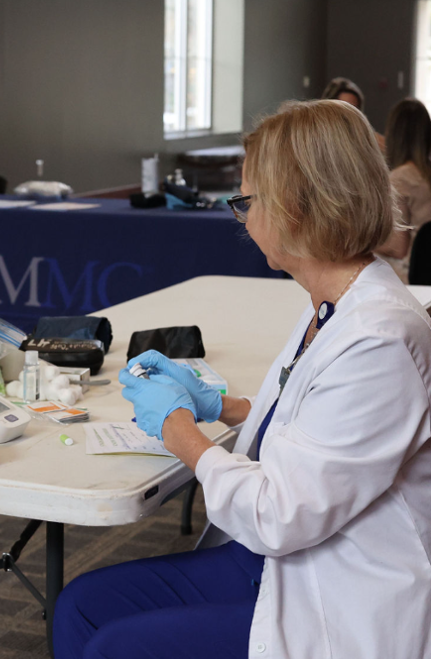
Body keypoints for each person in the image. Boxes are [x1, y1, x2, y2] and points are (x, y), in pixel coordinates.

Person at [53, 100, 431, 659]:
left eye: (247, 201)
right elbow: (315, 428)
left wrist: (178, 427)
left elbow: (281, 515)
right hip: (288, 556)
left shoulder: (379, 339)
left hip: (336, 590)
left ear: (297, 208)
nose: (243, 218)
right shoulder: (332, 304)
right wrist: (220, 405)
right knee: (80, 607)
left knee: (116, 646)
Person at [375, 98, 431, 282]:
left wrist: (359, 241)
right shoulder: (424, 174)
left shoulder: (400, 179)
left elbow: (399, 248)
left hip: (413, 277)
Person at [321, 76, 386, 151]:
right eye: (344, 108)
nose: (350, 114)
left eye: (354, 108)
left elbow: (390, 149)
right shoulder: (318, 137)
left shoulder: (366, 136)